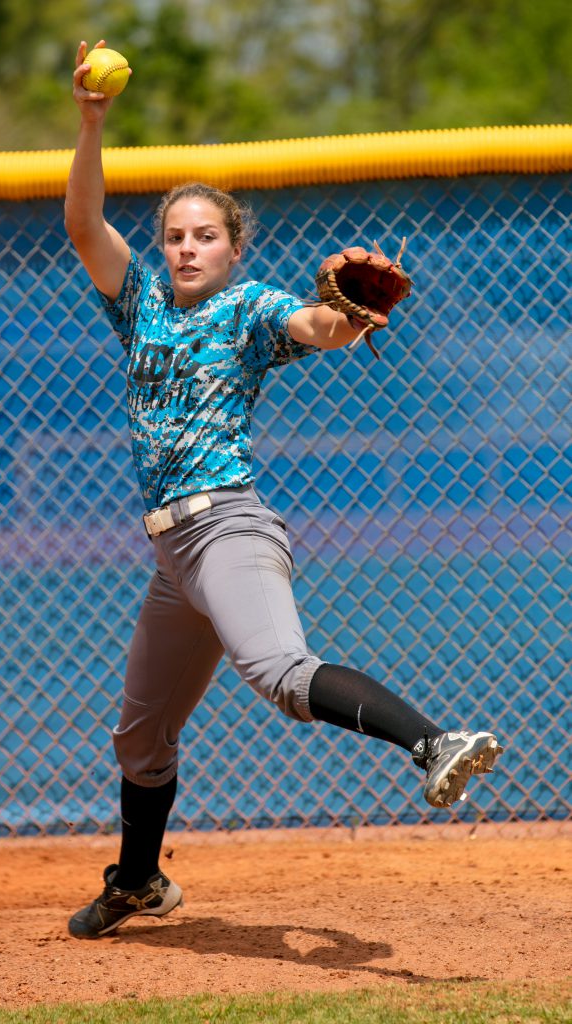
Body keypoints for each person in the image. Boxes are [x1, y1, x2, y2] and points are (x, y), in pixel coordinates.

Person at [64, 40, 503, 940]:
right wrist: (90, 121)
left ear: (233, 248)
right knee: (140, 738)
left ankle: (434, 742)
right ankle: (141, 881)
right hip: (169, 555)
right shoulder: (140, 300)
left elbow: (314, 324)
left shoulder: (252, 306)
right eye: (176, 236)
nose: (187, 247)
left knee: (276, 673)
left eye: (205, 236)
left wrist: (344, 314)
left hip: (226, 527)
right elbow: (81, 225)